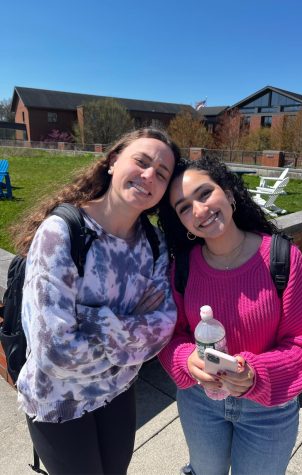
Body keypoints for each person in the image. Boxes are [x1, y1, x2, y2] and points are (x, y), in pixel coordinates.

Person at [14, 128, 181, 475]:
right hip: (59, 401)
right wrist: (131, 335)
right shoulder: (63, 233)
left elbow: (163, 325)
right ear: (112, 160)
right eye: (142, 161)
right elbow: (55, 352)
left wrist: (93, 321)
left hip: (117, 393)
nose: (150, 174)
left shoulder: (153, 243)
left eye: (162, 173)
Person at [158, 156, 302, 475]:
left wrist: (254, 374)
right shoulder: (183, 267)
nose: (199, 209)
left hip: (269, 409)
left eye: (205, 193)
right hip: (200, 402)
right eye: (184, 207)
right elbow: (170, 334)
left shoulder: (283, 258)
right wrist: (184, 360)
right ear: (182, 223)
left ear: (230, 194)